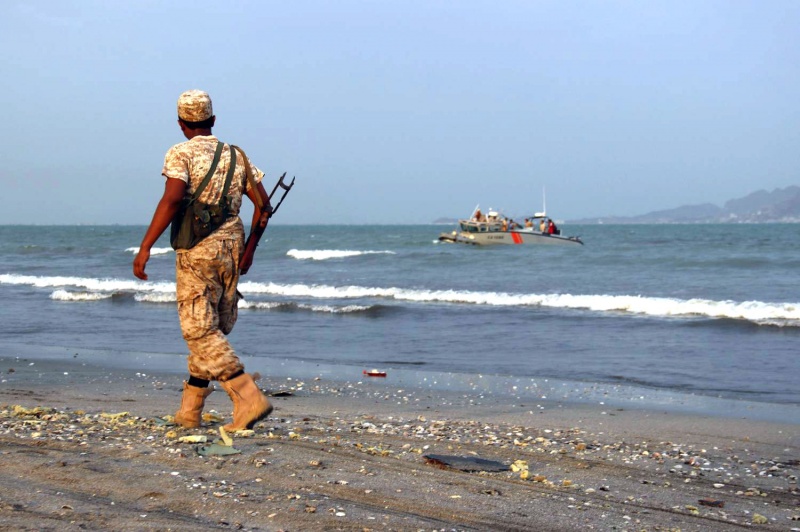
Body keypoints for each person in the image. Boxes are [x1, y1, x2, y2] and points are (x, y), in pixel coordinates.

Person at [133, 90, 274, 432]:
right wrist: (250, 250)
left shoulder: (180, 153)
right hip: (232, 247)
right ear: (213, 120)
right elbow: (264, 207)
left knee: (198, 330)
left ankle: (248, 397)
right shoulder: (237, 156)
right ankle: (189, 411)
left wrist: (145, 246)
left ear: (181, 124)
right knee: (212, 326)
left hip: (197, 249)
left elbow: (172, 200)